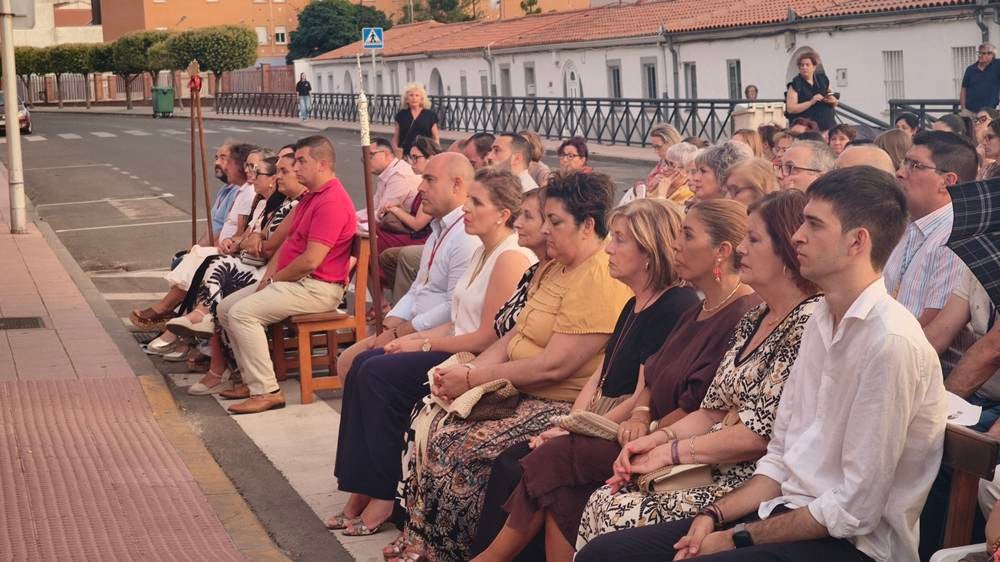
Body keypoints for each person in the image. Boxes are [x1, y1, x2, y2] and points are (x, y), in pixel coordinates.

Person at [576, 166, 947, 562]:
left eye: (814, 225)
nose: (798, 236)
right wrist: (713, 516)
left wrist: (738, 538)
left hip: (852, 546)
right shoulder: (823, 321)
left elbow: (853, 510)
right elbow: (782, 455)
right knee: (605, 553)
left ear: (857, 241)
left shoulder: (889, 341)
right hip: (784, 510)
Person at [470, 199, 760, 562]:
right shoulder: (699, 309)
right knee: (560, 489)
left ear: (722, 251)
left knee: (551, 458)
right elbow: (650, 379)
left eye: (687, 235)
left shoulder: (732, 313)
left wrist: (649, 432)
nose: (675, 244)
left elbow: (704, 407)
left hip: (676, 445)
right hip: (642, 429)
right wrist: (637, 415)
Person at [396, 171, 633, 562]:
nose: (545, 229)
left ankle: (457, 552)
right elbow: (513, 336)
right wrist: (468, 377)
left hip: (558, 400)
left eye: (555, 221)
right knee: (437, 426)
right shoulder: (553, 267)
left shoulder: (598, 278)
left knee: (465, 448)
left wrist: (474, 377)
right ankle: (424, 543)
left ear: (588, 226)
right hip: (521, 388)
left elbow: (553, 367)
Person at [577, 191, 820, 548]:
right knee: (603, 499)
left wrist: (671, 451)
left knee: (615, 514)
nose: (741, 250)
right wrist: (656, 440)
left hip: (750, 476)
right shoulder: (756, 316)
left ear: (785, 250)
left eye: (753, 240)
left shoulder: (807, 322)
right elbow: (711, 410)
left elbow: (758, 435)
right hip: (710, 459)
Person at [330, 168, 535, 537]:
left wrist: (423, 343)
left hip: (473, 359)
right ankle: (361, 485)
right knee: (364, 363)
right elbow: (455, 319)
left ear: (503, 214)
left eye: (477, 202)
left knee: (379, 376)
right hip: (455, 345)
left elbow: (484, 336)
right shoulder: (482, 251)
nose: (466, 209)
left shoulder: (509, 257)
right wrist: (410, 339)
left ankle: (383, 494)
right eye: (468, 200)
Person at [216, 136, 356, 414]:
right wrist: (266, 280)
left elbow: (311, 260)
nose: (296, 167)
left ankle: (266, 391)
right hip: (296, 282)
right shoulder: (310, 197)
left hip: (318, 287)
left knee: (242, 314)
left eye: (302, 161)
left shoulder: (331, 201)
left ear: (322, 164)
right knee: (226, 308)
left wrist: (274, 280)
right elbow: (284, 244)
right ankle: (251, 380)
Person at [335, 153, 482, 378]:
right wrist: (389, 325)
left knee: (363, 366)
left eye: (430, 180)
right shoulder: (440, 228)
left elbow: (453, 307)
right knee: (348, 360)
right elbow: (418, 288)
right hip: (415, 326)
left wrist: (400, 332)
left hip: (438, 338)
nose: (421, 187)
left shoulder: (466, 236)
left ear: (456, 185)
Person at [182, 152, 306, 395]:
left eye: (284, 171)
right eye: (277, 171)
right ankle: (239, 374)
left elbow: (271, 248)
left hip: (289, 277)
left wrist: (270, 276)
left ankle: (259, 387)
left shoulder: (301, 203)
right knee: (223, 300)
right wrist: (253, 240)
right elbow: (258, 237)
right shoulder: (284, 203)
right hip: (268, 269)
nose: (279, 177)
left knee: (235, 305)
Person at [131, 142, 258, 332]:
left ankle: (166, 310)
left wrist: (227, 244)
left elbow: (242, 232)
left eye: (227, 161)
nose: (223, 166)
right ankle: (174, 316)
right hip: (226, 246)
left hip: (234, 254)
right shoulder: (238, 191)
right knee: (189, 257)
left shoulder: (249, 193)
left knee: (199, 261)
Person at [886, 131, 975, 335]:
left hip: (919, 350)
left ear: (947, 181)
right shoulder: (907, 223)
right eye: (904, 162)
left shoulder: (957, 237)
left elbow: (932, 326)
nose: (900, 173)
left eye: (915, 166)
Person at [380, 135, 439, 292]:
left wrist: (395, 209)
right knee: (372, 235)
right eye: (409, 157)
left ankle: (390, 296)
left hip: (422, 238)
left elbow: (417, 223)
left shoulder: (434, 185)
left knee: (373, 239)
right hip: (417, 235)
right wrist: (399, 207)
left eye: (416, 158)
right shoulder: (425, 181)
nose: (411, 162)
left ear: (431, 158)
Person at [361, 137, 421, 237]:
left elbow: (381, 213)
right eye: (363, 158)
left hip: (406, 232)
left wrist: (353, 221)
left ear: (386, 154)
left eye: (370, 155)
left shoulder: (399, 175)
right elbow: (373, 209)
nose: (365, 161)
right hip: (393, 225)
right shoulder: (388, 173)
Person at [620, 125, 686, 206]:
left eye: (658, 147)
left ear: (672, 143)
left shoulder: (687, 185)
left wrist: (661, 192)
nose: (656, 151)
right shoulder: (663, 162)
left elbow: (662, 208)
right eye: (654, 147)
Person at [785, 51, 837, 132]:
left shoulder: (823, 80)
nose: (804, 67)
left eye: (807, 65)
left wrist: (833, 100)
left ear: (814, 67)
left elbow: (834, 101)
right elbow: (791, 109)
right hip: (807, 129)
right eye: (802, 65)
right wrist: (810, 102)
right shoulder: (796, 84)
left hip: (828, 126)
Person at [393, 83, 440, 154]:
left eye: (417, 95)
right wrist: (395, 149)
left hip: (425, 153)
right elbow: (396, 136)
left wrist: (436, 152)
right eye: (411, 95)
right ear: (407, 99)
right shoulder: (401, 115)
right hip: (405, 154)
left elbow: (435, 137)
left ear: (421, 99)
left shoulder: (430, 115)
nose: (414, 98)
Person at [961, 43, 1000, 114]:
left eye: (983, 53)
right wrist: (963, 109)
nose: (980, 55)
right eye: (979, 53)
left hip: (989, 113)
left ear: (992, 55)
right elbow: (963, 89)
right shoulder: (970, 69)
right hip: (970, 112)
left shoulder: (997, 66)